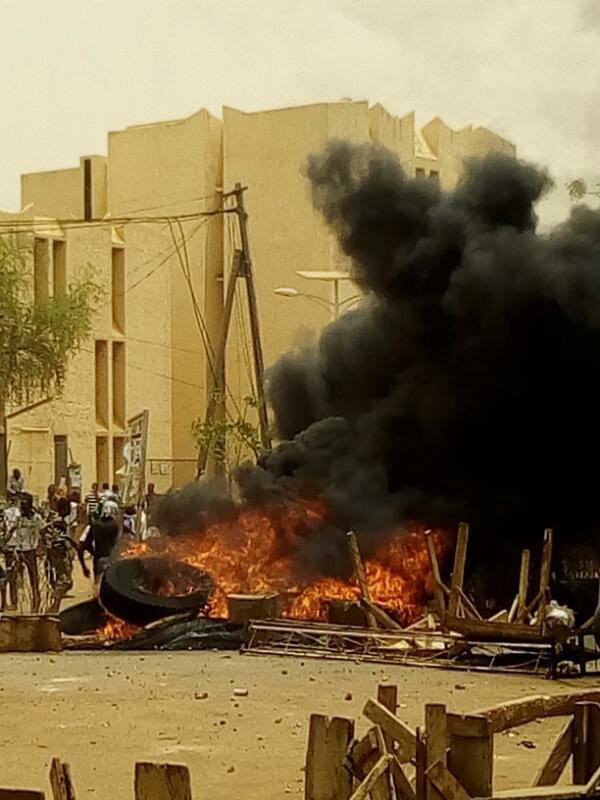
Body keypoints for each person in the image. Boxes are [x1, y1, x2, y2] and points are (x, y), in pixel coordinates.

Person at [4, 493, 43, 612]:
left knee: (33, 578)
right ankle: (14, 601)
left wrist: (41, 547)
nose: (21, 507)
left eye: (23, 504)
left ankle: (36, 602)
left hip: (30, 551)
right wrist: (4, 541)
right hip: (18, 550)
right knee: (12, 575)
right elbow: (11, 530)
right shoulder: (19, 519)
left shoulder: (36, 518)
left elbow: (43, 530)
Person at [78, 495, 119, 582]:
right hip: (115, 562)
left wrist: (93, 553)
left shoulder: (95, 525)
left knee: (100, 589)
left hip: (99, 560)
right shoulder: (118, 527)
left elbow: (82, 546)